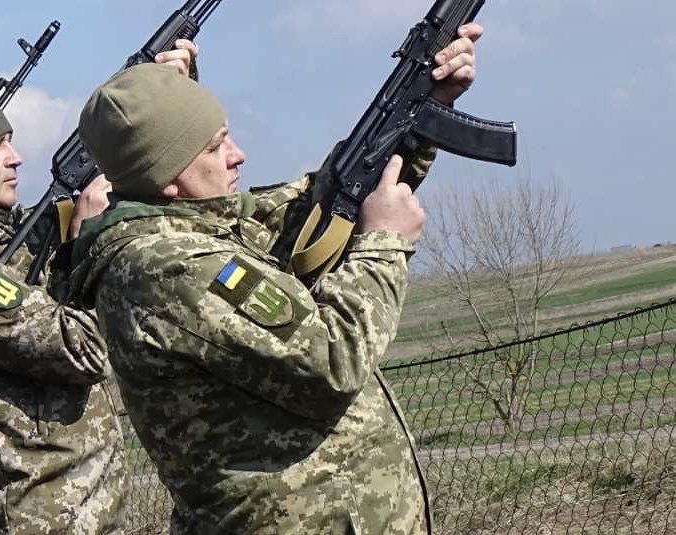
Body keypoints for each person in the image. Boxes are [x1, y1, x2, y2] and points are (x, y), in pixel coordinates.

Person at [68, 27, 482, 534]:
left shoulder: (204, 228)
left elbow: (317, 206)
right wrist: (385, 244)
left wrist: (422, 106)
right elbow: (333, 359)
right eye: (216, 146)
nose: (238, 154)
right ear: (167, 176)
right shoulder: (167, 266)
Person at [0, 43, 196, 533]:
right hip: (28, 519)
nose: (16, 158)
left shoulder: (4, 241)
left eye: (11, 141)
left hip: (75, 512)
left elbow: (150, 198)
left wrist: (166, 95)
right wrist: (85, 244)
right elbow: (84, 348)